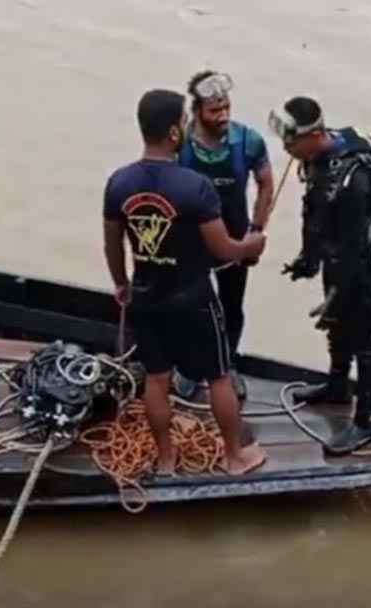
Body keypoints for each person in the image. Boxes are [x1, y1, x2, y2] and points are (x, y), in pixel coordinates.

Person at [102, 89, 268, 475]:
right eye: (184, 121)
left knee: (157, 379)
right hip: (193, 298)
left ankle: (165, 459)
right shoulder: (195, 186)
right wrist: (252, 244)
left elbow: (112, 245)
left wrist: (122, 284)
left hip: (145, 296)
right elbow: (224, 249)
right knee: (219, 376)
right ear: (175, 132)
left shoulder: (119, 183)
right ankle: (234, 457)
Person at [273, 96, 371, 454]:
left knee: (365, 339)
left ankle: (365, 423)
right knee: (337, 327)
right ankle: (338, 387)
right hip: (335, 259)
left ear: (314, 135)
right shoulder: (317, 160)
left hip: (360, 267)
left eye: (291, 140)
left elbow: (357, 243)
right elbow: (314, 213)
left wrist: (338, 293)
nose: (286, 147)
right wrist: (307, 259)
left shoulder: (352, 179)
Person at [174, 70, 274, 401]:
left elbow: (266, 184)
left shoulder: (248, 141)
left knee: (232, 305)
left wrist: (256, 232)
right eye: (215, 110)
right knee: (189, 304)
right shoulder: (179, 143)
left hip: (234, 239)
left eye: (227, 107)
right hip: (190, 241)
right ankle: (189, 367)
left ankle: (228, 364)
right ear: (197, 110)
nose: (223, 116)